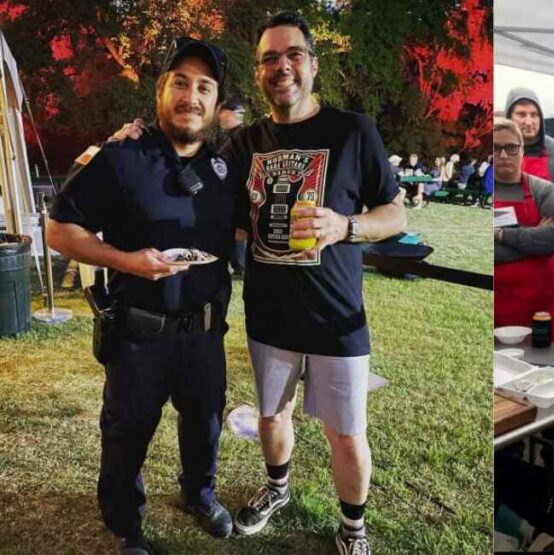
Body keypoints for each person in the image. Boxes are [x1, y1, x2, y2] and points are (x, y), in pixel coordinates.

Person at [113, 13, 407, 553]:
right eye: (270, 58)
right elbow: (186, 175)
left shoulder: (352, 130)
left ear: (313, 65)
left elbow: (396, 214)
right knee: (273, 415)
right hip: (269, 313)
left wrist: (348, 226)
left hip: (338, 315)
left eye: (293, 54)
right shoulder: (243, 144)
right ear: (259, 71)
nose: (282, 67)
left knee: (346, 431)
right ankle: (277, 489)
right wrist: (135, 143)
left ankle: (353, 529)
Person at [48, 38, 236, 553]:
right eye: (180, 83)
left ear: (216, 103)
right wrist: (126, 261)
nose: (190, 96)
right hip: (138, 333)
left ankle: (199, 493)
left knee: (205, 424)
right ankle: (125, 523)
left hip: (203, 332)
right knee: (126, 434)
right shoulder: (121, 158)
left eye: (204, 87)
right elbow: (60, 231)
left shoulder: (225, 172)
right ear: (160, 91)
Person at [494, 117, 554, 339]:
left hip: (543, 308)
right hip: (496, 309)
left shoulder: (543, 190)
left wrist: (502, 234)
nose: (503, 155)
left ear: (522, 151)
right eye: (496, 148)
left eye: (511, 147)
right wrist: (536, 241)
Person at [505, 87, 554, 198]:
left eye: (534, 115)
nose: (529, 122)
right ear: (509, 117)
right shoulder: (498, 154)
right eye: (522, 114)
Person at [218, 98, 248, 278]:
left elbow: (222, 159)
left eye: (223, 112)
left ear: (233, 114)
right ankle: (239, 266)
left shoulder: (240, 136)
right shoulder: (237, 136)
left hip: (240, 191)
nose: (220, 117)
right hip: (236, 190)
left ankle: (240, 266)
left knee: (236, 228)